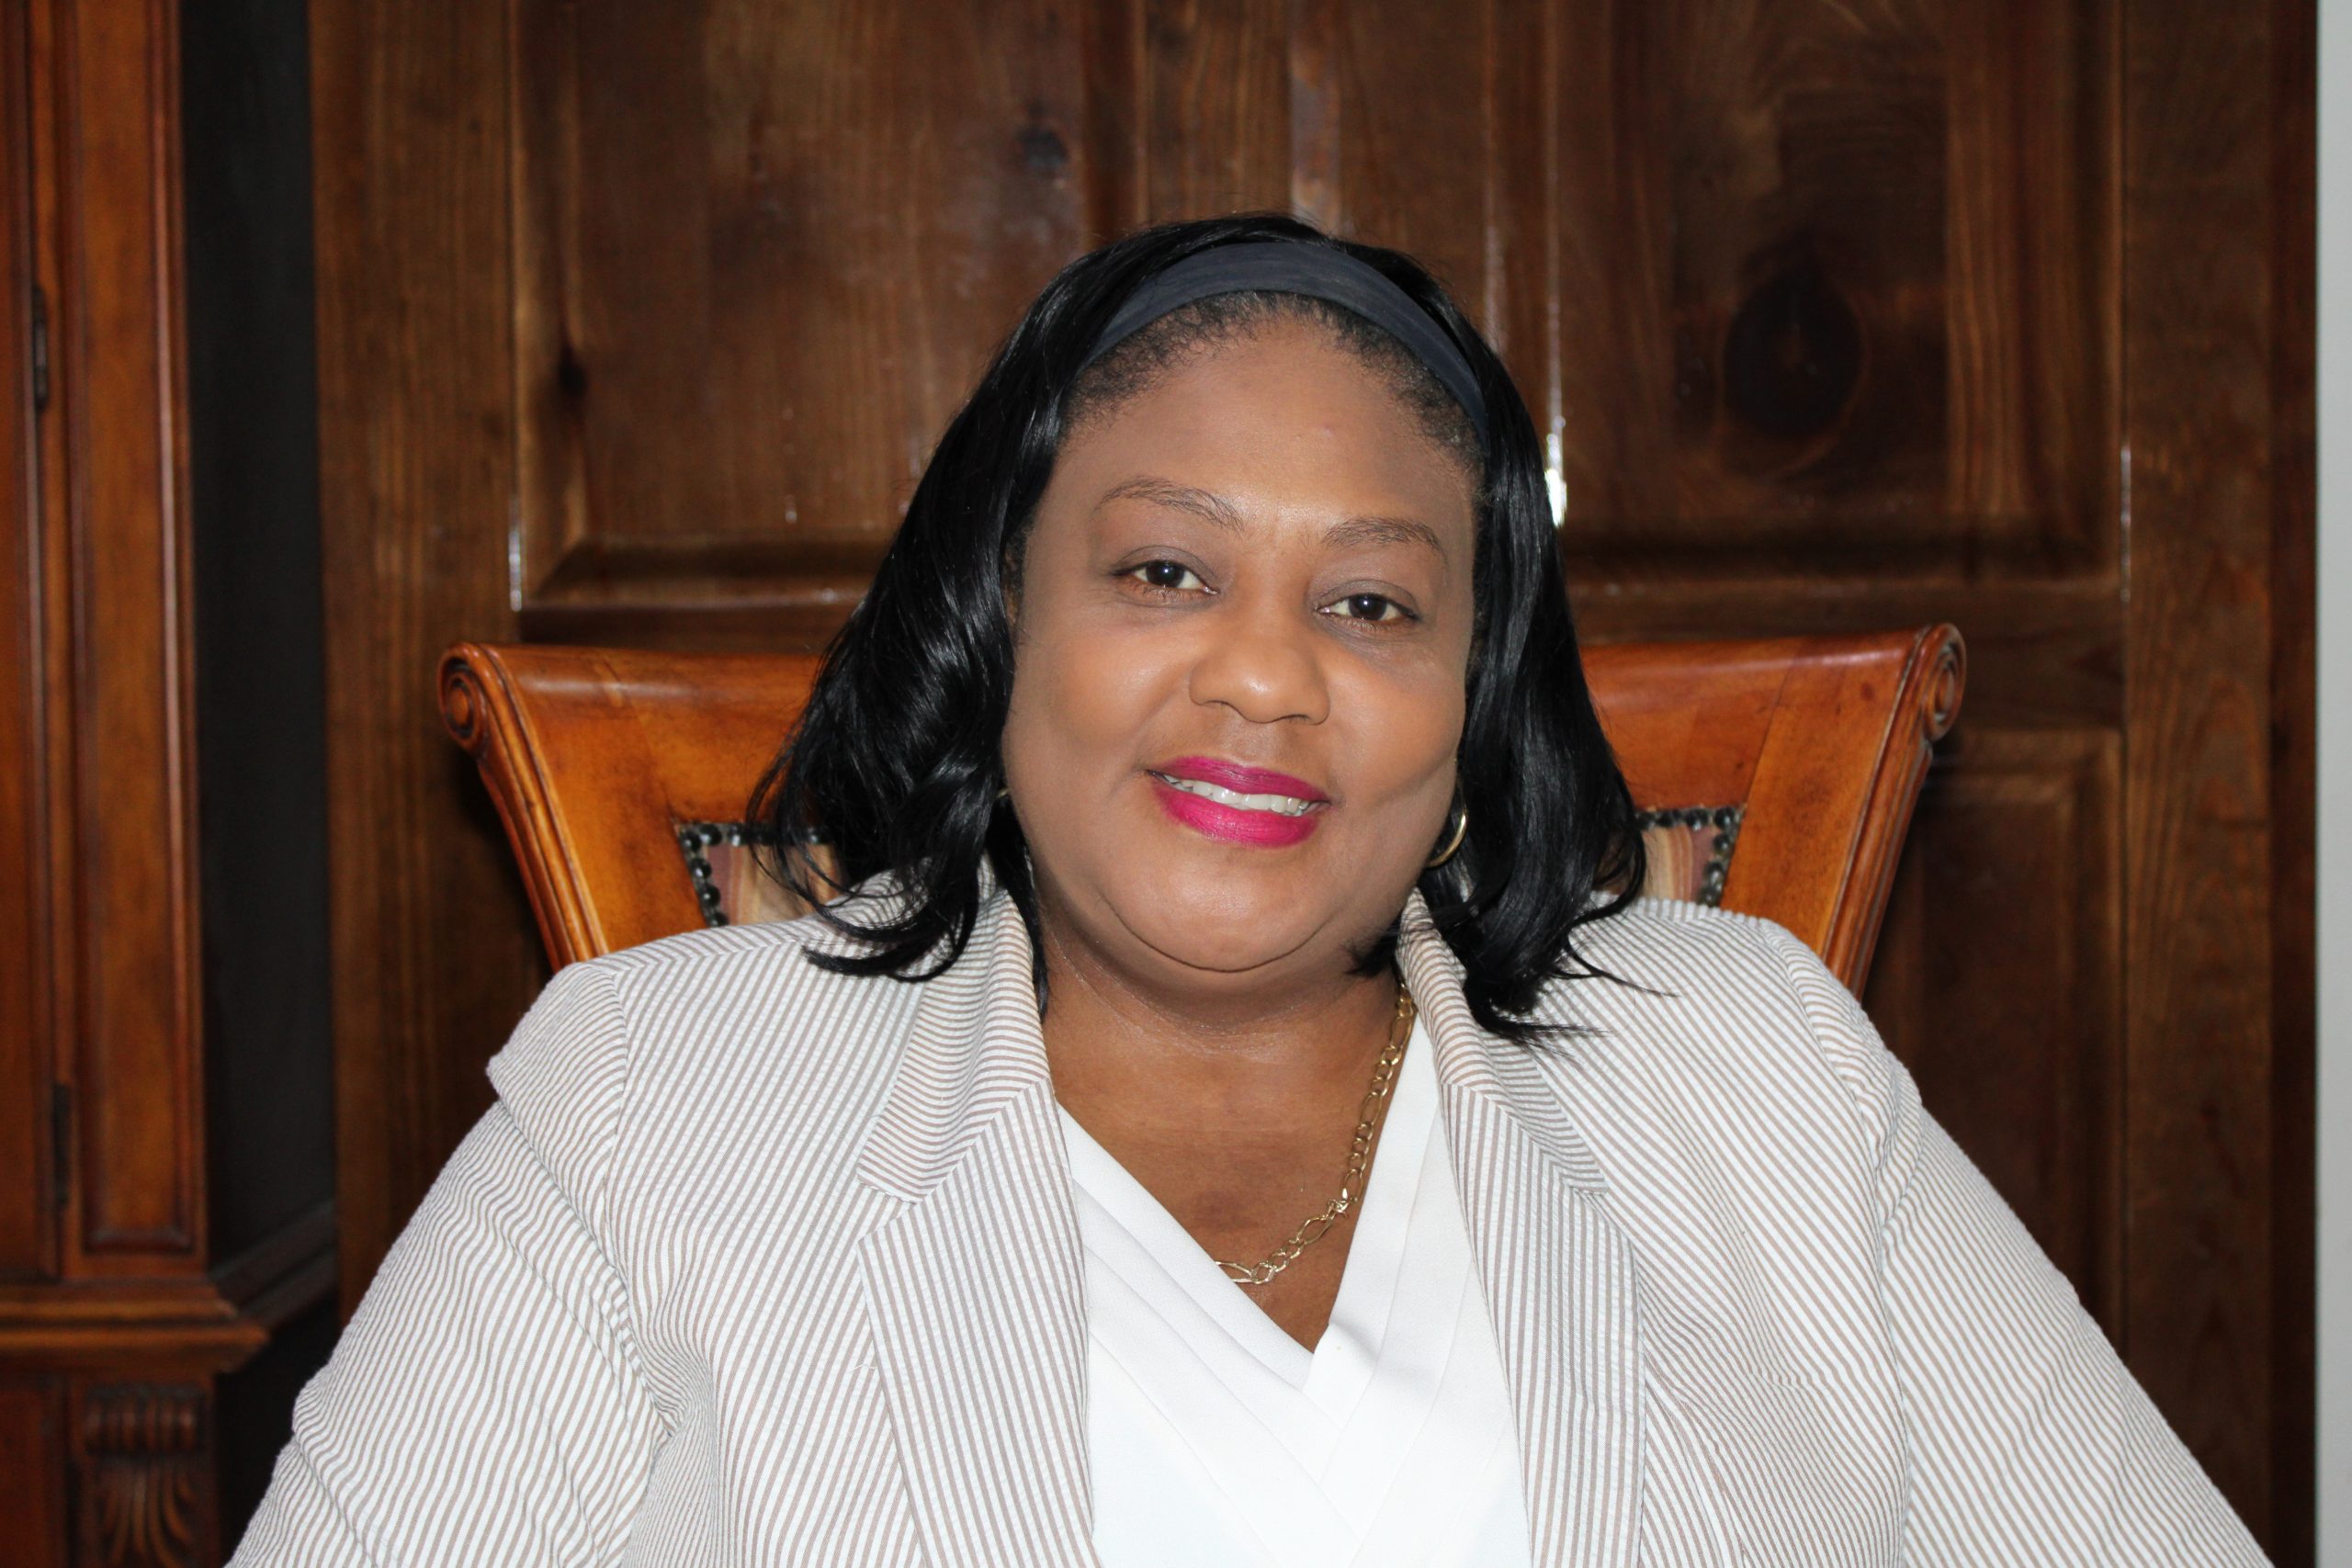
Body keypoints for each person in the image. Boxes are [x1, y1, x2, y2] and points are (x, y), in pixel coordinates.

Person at [232, 216, 2262, 1566]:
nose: (1266, 677)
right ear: (1003, 618)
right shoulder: (655, 1097)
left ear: (1468, 700)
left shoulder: (1750, 1065)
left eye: (1370, 603)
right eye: (1164, 570)